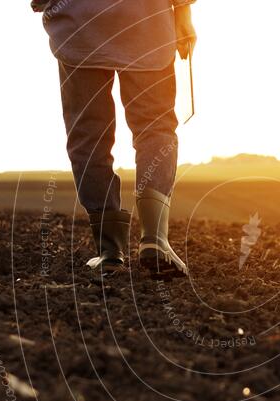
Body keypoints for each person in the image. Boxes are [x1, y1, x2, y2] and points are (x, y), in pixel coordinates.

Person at [32, 0, 197, 278]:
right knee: (154, 127)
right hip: (146, 21)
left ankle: (109, 251)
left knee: (88, 135)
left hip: (79, 24)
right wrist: (183, 11)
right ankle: (155, 238)